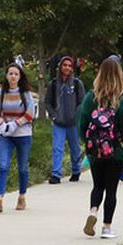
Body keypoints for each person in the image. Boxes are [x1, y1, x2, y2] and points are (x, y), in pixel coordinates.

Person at [77, 56, 123, 239]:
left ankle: (93, 211)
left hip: (95, 151)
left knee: (97, 186)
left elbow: (82, 123)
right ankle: (106, 227)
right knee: (111, 189)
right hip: (116, 150)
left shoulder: (91, 97)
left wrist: (86, 142)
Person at [0, 63, 35, 212]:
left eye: (16, 74)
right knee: (3, 165)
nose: (13, 76)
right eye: (10, 73)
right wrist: (2, 124)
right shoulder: (1, 93)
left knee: (22, 167)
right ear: (6, 76)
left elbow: (30, 113)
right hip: (6, 135)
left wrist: (16, 124)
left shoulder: (26, 93)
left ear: (20, 76)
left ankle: (22, 196)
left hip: (23, 134)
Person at [45, 55, 86, 183]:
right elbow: (47, 102)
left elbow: (82, 102)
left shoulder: (77, 84)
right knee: (57, 148)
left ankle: (76, 170)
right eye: (65, 65)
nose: (67, 68)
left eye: (69, 66)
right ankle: (56, 174)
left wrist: (77, 115)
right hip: (58, 123)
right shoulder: (53, 84)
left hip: (73, 123)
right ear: (60, 66)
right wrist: (53, 115)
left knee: (75, 148)